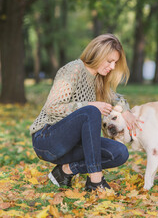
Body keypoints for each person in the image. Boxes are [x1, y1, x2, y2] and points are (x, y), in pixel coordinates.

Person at [29, 34, 141, 191]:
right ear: (98, 53)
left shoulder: (99, 80)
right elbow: (52, 108)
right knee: (91, 111)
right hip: (47, 140)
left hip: (72, 146)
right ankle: (95, 181)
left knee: (119, 152)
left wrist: (126, 110)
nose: (113, 67)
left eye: (115, 63)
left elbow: (116, 99)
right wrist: (89, 105)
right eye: (110, 61)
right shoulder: (74, 69)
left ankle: (64, 171)